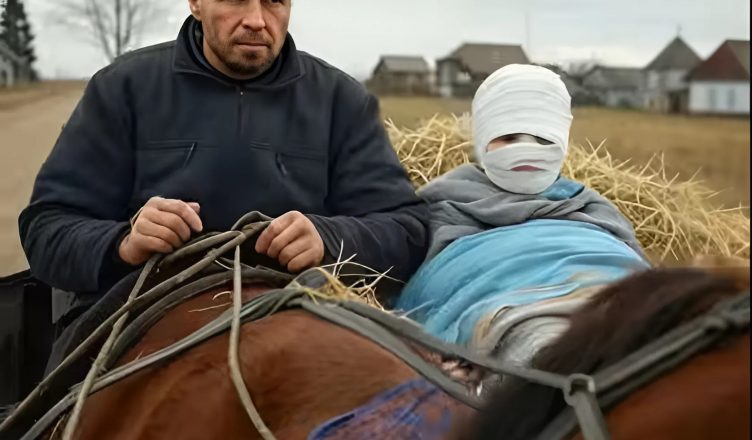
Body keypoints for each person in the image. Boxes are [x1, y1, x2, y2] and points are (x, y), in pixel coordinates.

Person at [18, 0, 429, 332]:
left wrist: (328, 239)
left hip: (299, 319)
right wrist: (122, 243)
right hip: (137, 323)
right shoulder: (122, 88)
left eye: (274, 2)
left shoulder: (341, 101)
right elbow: (46, 229)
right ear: (195, 4)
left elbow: (405, 229)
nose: (256, 20)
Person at [394, 64, 651, 362]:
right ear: (483, 138)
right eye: (510, 137)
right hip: (520, 325)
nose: (527, 150)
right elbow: (421, 282)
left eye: (543, 139)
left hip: (618, 307)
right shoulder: (437, 205)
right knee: (543, 354)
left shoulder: (592, 206)